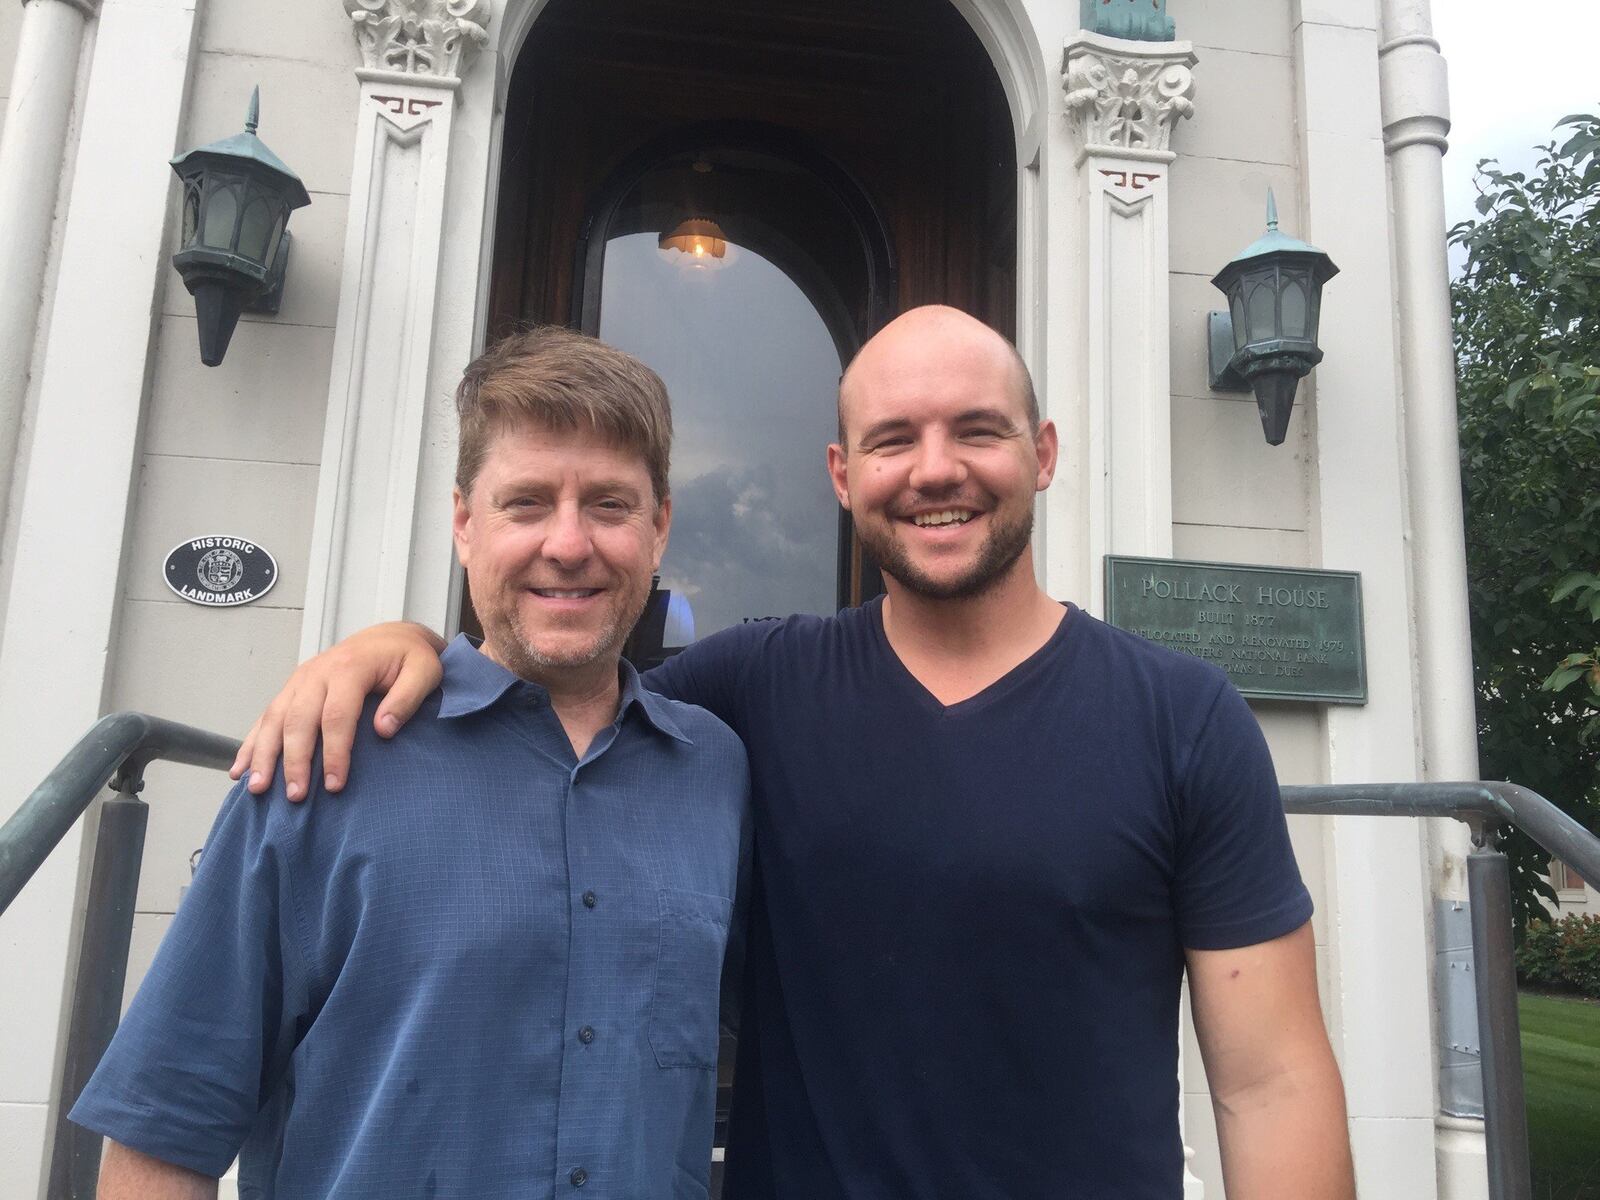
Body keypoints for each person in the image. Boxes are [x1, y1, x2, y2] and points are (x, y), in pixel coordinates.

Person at [236, 306, 1356, 1199]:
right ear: (838, 473)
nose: (934, 470)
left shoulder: (1182, 717)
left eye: (975, 429)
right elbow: (555, 699)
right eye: (891, 441)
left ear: (1042, 452)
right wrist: (405, 642)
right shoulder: (750, 691)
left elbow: (1269, 1082)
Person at [71, 329, 750, 1198]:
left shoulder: (714, 771)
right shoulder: (322, 758)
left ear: (659, 529)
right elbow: (163, 1133)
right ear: (465, 523)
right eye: (528, 503)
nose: (570, 543)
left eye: (611, 506)